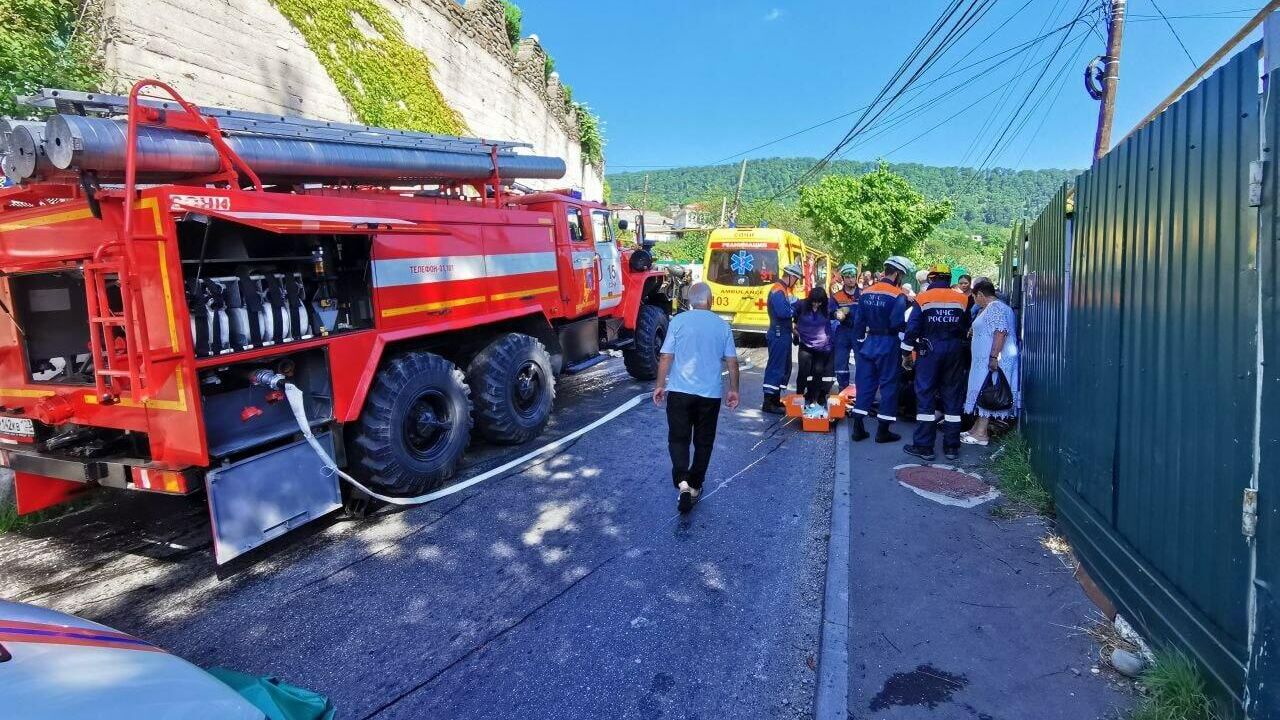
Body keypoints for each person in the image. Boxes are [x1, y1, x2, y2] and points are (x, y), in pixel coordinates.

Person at [653, 283, 740, 512]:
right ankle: (694, 485)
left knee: (678, 439)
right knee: (704, 441)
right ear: (710, 300)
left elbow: (665, 357)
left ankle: (682, 481)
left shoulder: (678, 322)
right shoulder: (722, 326)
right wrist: (734, 390)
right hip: (709, 395)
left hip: (680, 392)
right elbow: (732, 361)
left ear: (691, 301)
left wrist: (660, 385)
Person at [902, 263, 971, 462]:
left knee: (925, 396)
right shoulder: (962, 299)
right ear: (949, 280)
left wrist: (906, 353)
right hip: (955, 352)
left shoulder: (923, 298)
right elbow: (966, 327)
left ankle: (924, 446)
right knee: (952, 397)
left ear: (931, 279)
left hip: (929, 352)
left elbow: (912, 328)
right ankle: (951, 447)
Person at [850, 256, 915, 442]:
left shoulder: (865, 292)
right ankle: (883, 431)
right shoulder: (898, 295)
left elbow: (858, 323)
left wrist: (861, 344)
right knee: (888, 386)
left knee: (865, 384)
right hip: (888, 343)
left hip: (869, 343)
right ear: (897, 274)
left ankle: (858, 428)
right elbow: (897, 322)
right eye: (901, 275)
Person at [962, 278, 1019, 446]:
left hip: (991, 361)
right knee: (982, 390)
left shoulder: (995, 308)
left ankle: (981, 433)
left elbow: (1000, 332)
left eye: (974, 297)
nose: (975, 301)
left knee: (987, 392)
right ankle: (976, 428)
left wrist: (994, 357)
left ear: (980, 294)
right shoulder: (993, 308)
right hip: (985, 361)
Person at [761, 263, 804, 414]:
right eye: (796, 279)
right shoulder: (778, 291)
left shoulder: (783, 290)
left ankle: (775, 399)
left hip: (784, 333)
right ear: (791, 276)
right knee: (776, 367)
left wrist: (793, 329)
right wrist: (795, 309)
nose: (797, 282)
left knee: (784, 368)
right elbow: (782, 313)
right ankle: (768, 403)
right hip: (778, 334)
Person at [793, 286, 835, 408]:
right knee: (803, 373)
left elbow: (838, 314)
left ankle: (814, 401)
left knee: (818, 373)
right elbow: (790, 316)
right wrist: (793, 329)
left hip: (822, 347)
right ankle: (798, 398)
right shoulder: (801, 305)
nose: (816, 305)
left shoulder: (827, 308)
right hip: (805, 345)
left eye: (819, 302)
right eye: (814, 302)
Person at [831, 264, 861, 389]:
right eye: (847, 277)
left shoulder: (864, 294)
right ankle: (843, 389)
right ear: (843, 278)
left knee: (862, 362)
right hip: (843, 330)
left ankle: (861, 390)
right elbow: (830, 311)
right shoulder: (837, 296)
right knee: (840, 361)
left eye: (853, 276)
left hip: (860, 331)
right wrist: (836, 313)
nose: (850, 279)